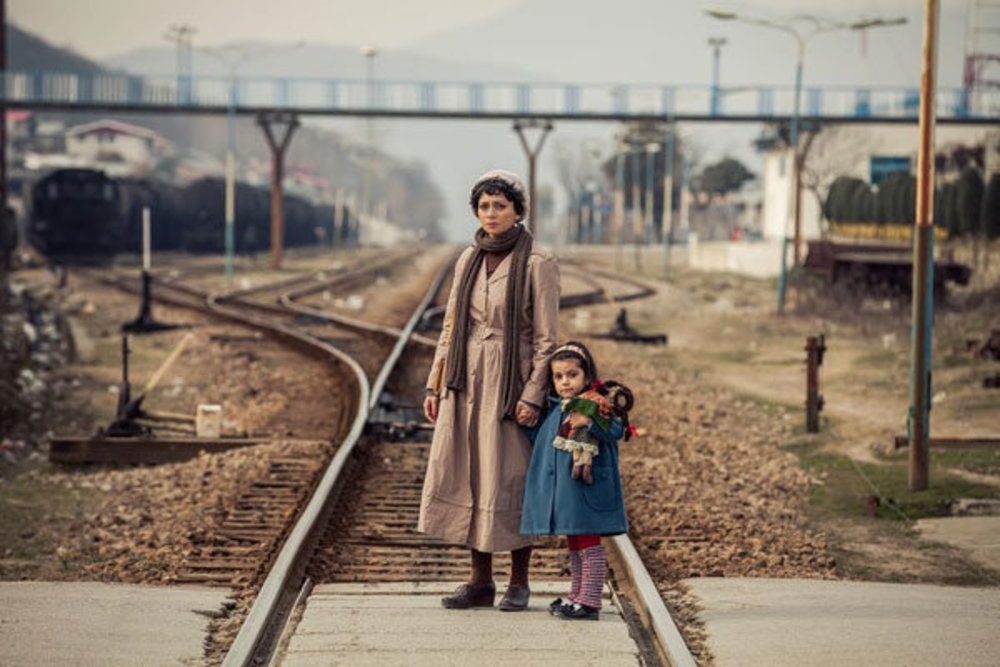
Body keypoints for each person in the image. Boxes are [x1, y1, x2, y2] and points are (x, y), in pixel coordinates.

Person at [419, 169, 560, 612]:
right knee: (469, 472)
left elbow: (546, 339)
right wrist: (435, 382)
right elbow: (450, 325)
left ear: (518, 210)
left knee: (511, 478)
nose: (492, 214)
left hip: (510, 382)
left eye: (500, 206)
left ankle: (519, 582)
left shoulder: (539, 262)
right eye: (484, 206)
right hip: (465, 380)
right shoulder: (469, 258)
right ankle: (479, 581)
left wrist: (533, 395)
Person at [520, 341, 635, 621]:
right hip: (567, 493)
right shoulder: (557, 409)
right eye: (558, 377)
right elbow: (547, 442)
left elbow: (615, 429)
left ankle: (591, 601)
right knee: (575, 543)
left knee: (588, 543)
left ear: (586, 376)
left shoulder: (595, 404)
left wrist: (589, 422)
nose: (565, 382)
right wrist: (528, 425)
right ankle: (577, 596)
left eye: (572, 375)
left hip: (586, 488)